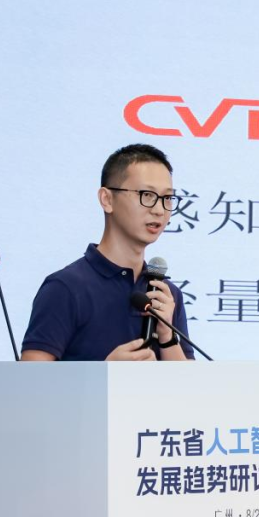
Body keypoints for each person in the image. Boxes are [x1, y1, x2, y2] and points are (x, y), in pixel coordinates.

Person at [21, 144, 194, 361]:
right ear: (107, 199)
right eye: (147, 195)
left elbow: (187, 383)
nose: (159, 210)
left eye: (167, 198)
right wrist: (105, 372)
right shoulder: (66, 287)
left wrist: (167, 336)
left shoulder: (165, 294)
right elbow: (31, 379)